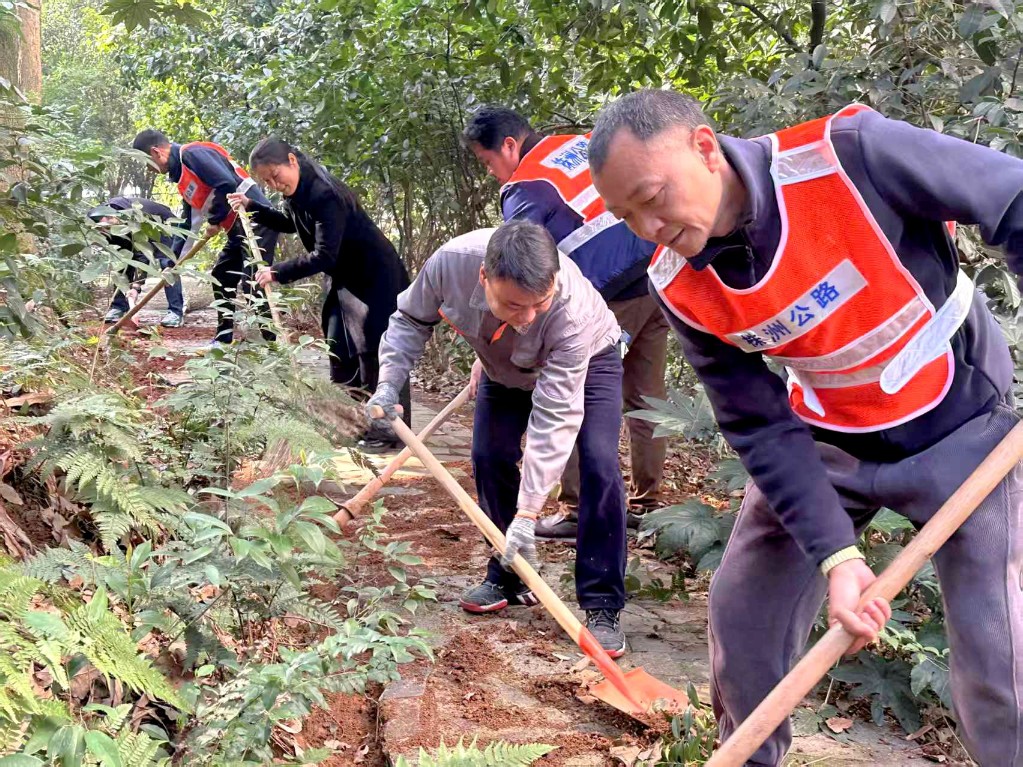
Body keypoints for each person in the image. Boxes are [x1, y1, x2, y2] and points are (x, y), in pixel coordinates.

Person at [589, 89, 1023, 766]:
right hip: (828, 443)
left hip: (961, 427)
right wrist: (836, 556)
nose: (648, 225)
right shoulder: (679, 283)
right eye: (626, 215)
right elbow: (757, 425)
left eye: (652, 195)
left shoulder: (849, 156)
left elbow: (1011, 197)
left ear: (704, 147)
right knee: (742, 616)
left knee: (1001, 663)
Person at [368, 221, 630, 655]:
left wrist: (529, 513)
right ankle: (510, 571)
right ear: (484, 278)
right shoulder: (449, 264)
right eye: (513, 305)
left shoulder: (572, 313)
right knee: (488, 455)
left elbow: (554, 416)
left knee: (598, 464)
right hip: (502, 369)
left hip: (590, 361)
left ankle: (603, 603)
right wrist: (388, 383)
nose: (526, 319)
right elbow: (410, 320)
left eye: (538, 304)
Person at [463, 106, 668, 537]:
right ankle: (651, 504)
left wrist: (494, 343)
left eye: (487, 162)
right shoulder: (576, 145)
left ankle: (578, 508)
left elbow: (517, 266)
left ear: (509, 146)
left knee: (575, 384)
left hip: (607, 292)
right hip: (657, 272)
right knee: (646, 394)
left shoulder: (524, 189)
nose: (492, 174)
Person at [227, 137, 412, 452]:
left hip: (376, 278)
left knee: (373, 351)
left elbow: (324, 255)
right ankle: (353, 421)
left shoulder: (324, 194)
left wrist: (277, 271)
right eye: (266, 181)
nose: (274, 183)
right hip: (346, 279)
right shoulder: (298, 192)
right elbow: (290, 222)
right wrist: (253, 206)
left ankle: (390, 429)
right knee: (339, 345)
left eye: (276, 174)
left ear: (292, 161)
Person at [131, 130, 279, 345]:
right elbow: (189, 223)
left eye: (148, 164)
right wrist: (172, 262)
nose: (150, 171)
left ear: (156, 153)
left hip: (257, 219)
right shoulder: (182, 180)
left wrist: (214, 220)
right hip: (236, 229)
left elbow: (226, 183)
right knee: (221, 276)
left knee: (253, 281)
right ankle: (223, 338)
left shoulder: (192, 154)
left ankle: (272, 342)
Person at [88, 196, 185, 328]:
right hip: (133, 231)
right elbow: (125, 258)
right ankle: (119, 307)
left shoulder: (131, 216)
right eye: (101, 229)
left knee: (167, 265)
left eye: (108, 226)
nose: (105, 231)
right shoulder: (108, 225)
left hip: (162, 226)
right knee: (124, 261)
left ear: (112, 216)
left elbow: (142, 255)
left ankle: (176, 312)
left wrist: (136, 286)